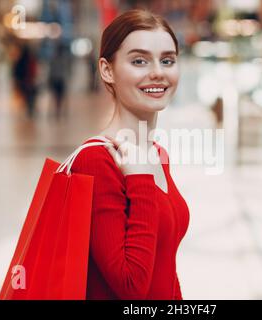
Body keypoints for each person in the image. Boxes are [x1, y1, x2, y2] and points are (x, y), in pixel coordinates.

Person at [71, 9, 190, 300]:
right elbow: (130, 286)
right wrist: (140, 179)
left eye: (167, 60)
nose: (157, 72)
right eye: (139, 61)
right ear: (107, 70)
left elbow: (164, 267)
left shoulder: (157, 154)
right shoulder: (97, 160)